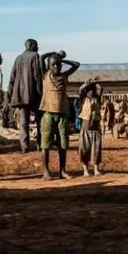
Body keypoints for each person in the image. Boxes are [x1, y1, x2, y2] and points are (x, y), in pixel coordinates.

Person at [39, 52, 80, 180]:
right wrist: (52, 53)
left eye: (58, 64)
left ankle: (62, 171)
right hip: (48, 114)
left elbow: (76, 64)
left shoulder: (64, 76)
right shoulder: (45, 75)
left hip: (62, 115)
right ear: (48, 66)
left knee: (63, 144)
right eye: (53, 65)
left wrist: (62, 59)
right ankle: (46, 171)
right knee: (45, 144)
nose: (56, 67)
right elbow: (41, 58)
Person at [9, 40, 44, 153]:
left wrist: (11, 95)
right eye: (36, 45)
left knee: (23, 122)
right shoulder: (35, 56)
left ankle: (25, 147)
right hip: (33, 95)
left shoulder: (18, 58)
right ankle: (40, 145)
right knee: (40, 121)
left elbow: (12, 78)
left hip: (20, 96)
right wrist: (41, 94)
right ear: (31, 45)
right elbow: (37, 76)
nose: (38, 47)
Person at [78, 78, 104, 176]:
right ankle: (85, 170)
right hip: (86, 129)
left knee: (96, 149)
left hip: (95, 129)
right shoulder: (83, 98)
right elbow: (80, 89)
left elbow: (100, 88)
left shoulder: (97, 98)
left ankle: (96, 169)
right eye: (88, 90)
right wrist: (87, 83)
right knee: (84, 150)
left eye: (92, 89)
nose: (90, 92)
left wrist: (95, 82)